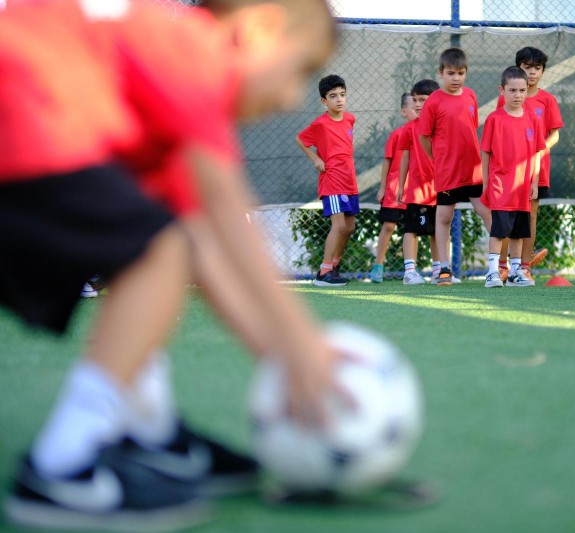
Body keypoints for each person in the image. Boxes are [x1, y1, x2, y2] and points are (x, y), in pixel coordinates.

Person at [1, 0, 341, 530]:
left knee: (158, 243)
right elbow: (225, 205)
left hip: (29, 123)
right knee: (157, 247)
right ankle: (61, 467)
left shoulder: (151, 108)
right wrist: (301, 341)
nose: (292, 97)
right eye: (300, 69)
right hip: (19, 115)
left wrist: (279, 358)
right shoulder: (189, 50)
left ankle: (148, 433)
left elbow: (203, 248)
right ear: (259, 28)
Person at [417, 48, 491, 286]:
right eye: (451, 73)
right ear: (441, 73)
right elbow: (424, 136)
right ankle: (443, 269)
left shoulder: (470, 95)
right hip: (448, 172)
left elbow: (471, 127)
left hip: (473, 170)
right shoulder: (433, 101)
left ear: (466, 73)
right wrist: (437, 159)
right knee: (444, 217)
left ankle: (500, 266)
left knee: (486, 212)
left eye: (460, 73)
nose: (456, 78)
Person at [497, 46, 564, 282]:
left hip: (537, 171)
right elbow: (498, 129)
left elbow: (554, 135)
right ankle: (502, 266)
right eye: (527, 67)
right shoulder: (506, 98)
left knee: (530, 217)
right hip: (508, 172)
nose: (532, 72)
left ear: (543, 71)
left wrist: (536, 150)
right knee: (505, 216)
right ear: (518, 68)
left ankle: (524, 266)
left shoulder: (547, 100)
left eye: (537, 68)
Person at [481, 67, 544, 288]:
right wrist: (486, 182)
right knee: (499, 231)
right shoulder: (494, 119)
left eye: (522, 90)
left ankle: (516, 272)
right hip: (500, 186)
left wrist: (534, 182)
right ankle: (492, 272)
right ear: (502, 90)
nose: (518, 95)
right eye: (513, 90)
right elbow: (485, 152)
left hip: (522, 188)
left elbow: (537, 153)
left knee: (518, 232)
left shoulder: (532, 119)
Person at [296, 75, 358, 287]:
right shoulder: (320, 124)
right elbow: (300, 139)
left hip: (349, 181)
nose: (339, 99)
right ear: (324, 101)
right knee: (338, 225)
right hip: (332, 180)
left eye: (342, 95)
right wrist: (316, 159)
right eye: (333, 96)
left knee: (349, 227)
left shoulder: (350, 119)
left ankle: (334, 265)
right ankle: (323, 273)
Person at [396, 80, 444, 285]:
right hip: (417, 190)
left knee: (438, 230)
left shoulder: (443, 126)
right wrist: (401, 185)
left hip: (441, 188)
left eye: (422, 100)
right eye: (415, 100)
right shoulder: (409, 128)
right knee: (411, 230)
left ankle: (439, 270)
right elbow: (404, 158)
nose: (417, 104)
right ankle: (409, 272)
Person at [369, 93, 416, 283]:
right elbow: (387, 161)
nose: (418, 108)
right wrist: (383, 187)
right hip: (395, 189)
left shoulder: (426, 134)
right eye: (414, 105)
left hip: (416, 190)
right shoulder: (396, 134)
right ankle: (378, 266)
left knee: (413, 230)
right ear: (404, 111)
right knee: (388, 226)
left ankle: (411, 270)